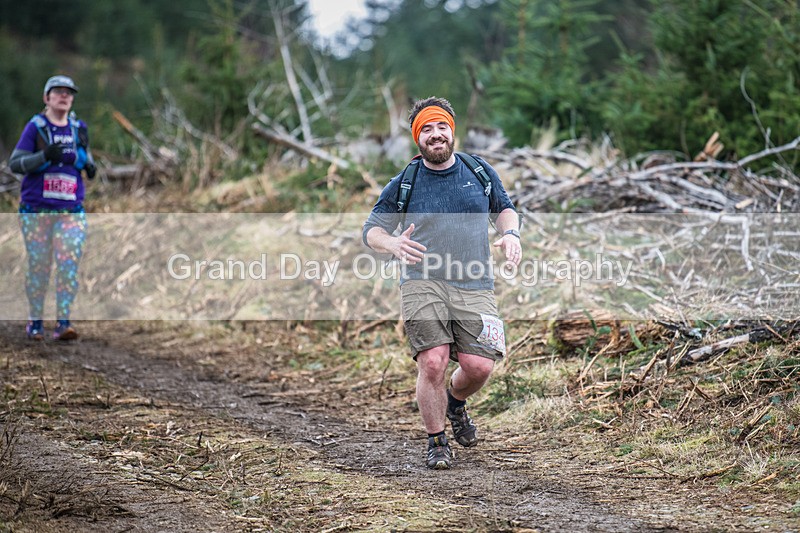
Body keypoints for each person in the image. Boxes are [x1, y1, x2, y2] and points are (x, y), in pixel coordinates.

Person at [363, 96, 522, 469]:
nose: (436, 135)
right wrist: (393, 242)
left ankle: (455, 404)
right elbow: (372, 230)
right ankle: (436, 441)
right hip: (422, 281)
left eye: (441, 127)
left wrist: (511, 234)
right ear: (418, 138)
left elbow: (505, 209)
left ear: (453, 131)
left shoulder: (478, 170)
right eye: (427, 130)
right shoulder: (406, 181)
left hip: (474, 282)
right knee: (433, 362)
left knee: (479, 366)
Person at [9, 75, 97, 341]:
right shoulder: (36, 127)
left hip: (71, 211)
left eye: (69, 93)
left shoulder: (78, 127)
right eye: (58, 91)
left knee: (68, 263)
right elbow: (15, 163)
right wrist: (44, 156)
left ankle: (63, 323)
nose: (64, 96)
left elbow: (85, 161)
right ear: (46, 98)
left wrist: (90, 164)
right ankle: (35, 322)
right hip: (37, 210)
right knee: (40, 266)